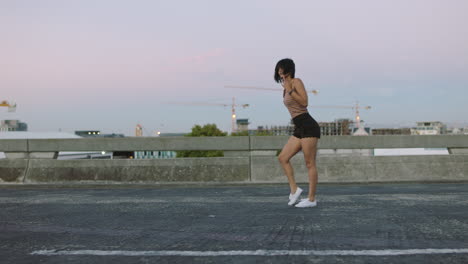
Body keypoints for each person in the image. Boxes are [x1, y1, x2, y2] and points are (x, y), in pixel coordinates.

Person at [275, 58, 321, 208]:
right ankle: (294, 190)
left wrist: (290, 90)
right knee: (283, 158)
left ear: (288, 69)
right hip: (298, 127)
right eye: (278, 69)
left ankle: (312, 199)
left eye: (281, 69)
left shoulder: (296, 82)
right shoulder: (285, 86)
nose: (279, 71)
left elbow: (304, 102)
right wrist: (286, 88)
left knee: (309, 163)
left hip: (308, 125)